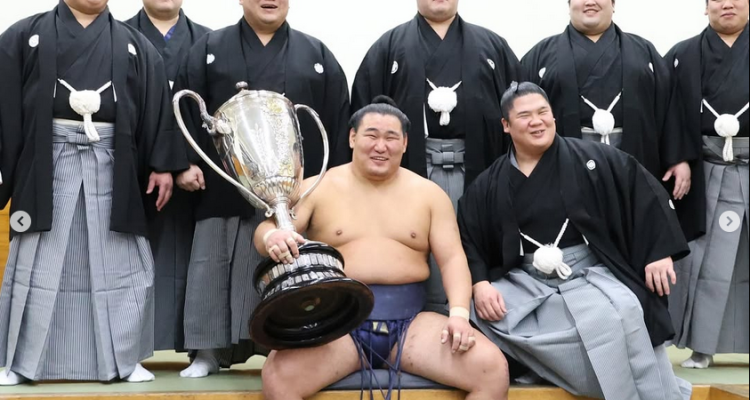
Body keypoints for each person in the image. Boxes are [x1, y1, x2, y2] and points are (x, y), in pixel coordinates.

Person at [254, 96, 509, 400]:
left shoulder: (429, 194)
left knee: (492, 369)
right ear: (352, 138)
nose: (380, 146)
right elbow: (267, 228)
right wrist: (272, 238)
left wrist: (458, 314)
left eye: (391, 138)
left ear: (405, 143)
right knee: (278, 377)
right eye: (371, 135)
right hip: (337, 322)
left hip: (412, 322)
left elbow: (453, 259)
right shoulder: (318, 187)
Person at [458, 82, 693, 400]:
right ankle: (545, 365)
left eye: (543, 113)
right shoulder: (489, 183)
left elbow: (643, 193)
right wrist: (481, 283)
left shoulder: (593, 158)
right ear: (506, 125)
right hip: (525, 280)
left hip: (588, 271)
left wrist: (657, 253)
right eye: (525, 115)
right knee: (481, 312)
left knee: (617, 313)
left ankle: (636, 390)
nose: (537, 121)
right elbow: (470, 237)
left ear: (554, 117)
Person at [0, 0, 181, 385]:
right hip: (46, 161)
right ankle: (19, 361)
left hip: (115, 164)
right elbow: (6, 106)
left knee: (123, 262)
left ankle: (125, 359)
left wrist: (163, 165)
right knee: (38, 259)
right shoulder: (23, 36)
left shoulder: (136, 45)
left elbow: (155, 110)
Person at [172, 0, 350, 378]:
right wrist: (185, 161)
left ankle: (286, 347)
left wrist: (332, 178)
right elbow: (185, 112)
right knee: (213, 264)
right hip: (225, 180)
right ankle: (207, 350)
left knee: (291, 264)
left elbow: (335, 116)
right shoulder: (208, 48)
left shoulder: (317, 54)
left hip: (296, 187)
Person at [350, 0, 520, 316]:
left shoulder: (492, 46)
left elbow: (516, 114)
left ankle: (473, 317)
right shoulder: (389, 47)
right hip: (407, 171)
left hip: (478, 166)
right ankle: (407, 318)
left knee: (475, 239)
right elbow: (366, 114)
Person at [520, 0, 693, 208]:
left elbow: (669, 106)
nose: (590, 2)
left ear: (613, 4)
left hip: (635, 156)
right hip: (564, 162)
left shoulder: (643, 51)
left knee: (633, 224)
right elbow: (521, 112)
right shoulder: (541, 55)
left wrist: (677, 158)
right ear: (568, 5)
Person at [665, 0, 749, 369]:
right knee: (703, 259)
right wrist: (679, 158)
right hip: (705, 167)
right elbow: (665, 112)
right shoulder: (683, 55)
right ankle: (702, 344)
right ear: (705, 8)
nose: (726, 4)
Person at [124, 0, 211, 353]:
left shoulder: (210, 43)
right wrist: (166, 163)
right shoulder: (119, 37)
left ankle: (199, 348)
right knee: (132, 261)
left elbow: (212, 114)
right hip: (134, 172)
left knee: (199, 263)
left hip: (198, 175)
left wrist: (185, 162)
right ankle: (128, 347)